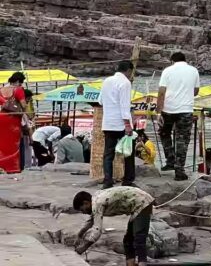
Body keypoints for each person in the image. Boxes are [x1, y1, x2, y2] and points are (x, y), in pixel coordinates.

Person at [73, 186, 154, 266]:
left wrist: (84, 247)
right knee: (128, 240)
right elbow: (90, 221)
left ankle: (142, 263)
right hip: (137, 203)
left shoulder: (98, 203)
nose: (83, 212)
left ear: (86, 203)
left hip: (142, 202)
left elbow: (97, 230)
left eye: (82, 210)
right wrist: (79, 235)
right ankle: (130, 264)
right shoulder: (95, 200)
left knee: (139, 238)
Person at [156, 51, 199, 182]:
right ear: (185, 60)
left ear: (172, 61)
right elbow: (196, 91)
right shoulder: (194, 71)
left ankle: (170, 160)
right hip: (185, 110)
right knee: (182, 140)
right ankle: (179, 170)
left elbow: (161, 92)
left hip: (168, 110)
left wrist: (158, 112)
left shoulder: (167, 71)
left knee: (164, 133)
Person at [99, 60, 136, 188]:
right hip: (121, 124)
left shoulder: (106, 81)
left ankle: (107, 180)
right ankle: (128, 180)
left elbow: (100, 101)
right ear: (129, 71)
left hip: (108, 123)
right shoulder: (125, 83)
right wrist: (128, 125)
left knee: (108, 154)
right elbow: (124, 105)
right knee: (128, 152)